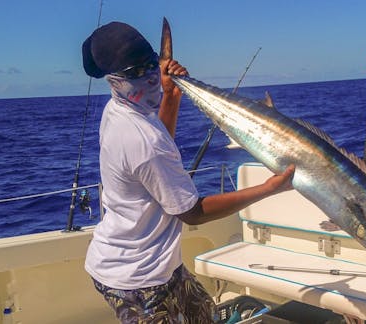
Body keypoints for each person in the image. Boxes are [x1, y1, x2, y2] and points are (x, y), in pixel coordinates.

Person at [81, 21, 296, 324]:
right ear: (113, 80)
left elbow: (160, 142)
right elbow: (192, 213)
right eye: (135, 73)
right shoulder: (139, 138)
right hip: (134, 279)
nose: (150, 77)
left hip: (160, 265)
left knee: (205, 314)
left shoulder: (122, 110)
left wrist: (171, 94)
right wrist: (270, 188)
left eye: (150, 64)